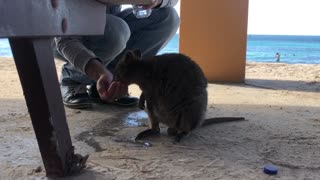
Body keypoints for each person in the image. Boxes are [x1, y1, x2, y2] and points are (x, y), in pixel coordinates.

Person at [54, 0, 180, 109]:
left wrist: (158, 1)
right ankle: (73, 79)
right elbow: (64, 40)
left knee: (168, 17)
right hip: (61, 31)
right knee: (116, 31)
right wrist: (98, 72)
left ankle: (107, 84)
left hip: (110, 23)